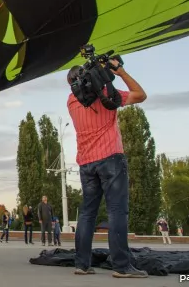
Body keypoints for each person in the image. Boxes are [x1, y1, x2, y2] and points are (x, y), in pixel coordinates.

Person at [67, 58, 147, 278]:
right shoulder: (107, 94)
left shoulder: (71, 101)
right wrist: (119, 72)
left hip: (86, 162)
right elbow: (140, 94)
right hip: (110, 157)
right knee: (116, 211)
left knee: (87, 214)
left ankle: (82, 264)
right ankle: (122, 266)